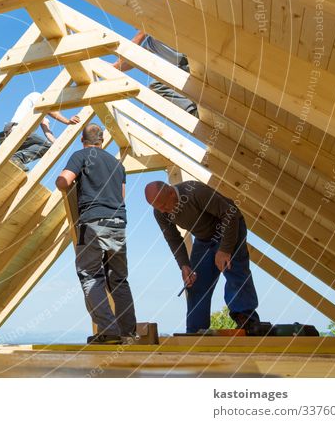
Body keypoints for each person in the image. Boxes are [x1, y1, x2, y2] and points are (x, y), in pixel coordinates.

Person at [144, 180, 260, 333]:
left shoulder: (195, 192)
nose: (164, 211)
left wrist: (224, 249)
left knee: (233, 270)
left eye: (165, 205)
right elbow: (173, 239)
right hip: (203, 238)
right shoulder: (160, 211)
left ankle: (247, 321)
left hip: (229, 227)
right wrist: (184, 265)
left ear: (172, 192)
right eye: (158, 208)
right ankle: (196, 330)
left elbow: (229, 214)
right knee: (196, 283)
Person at [56, 124, 136, 344]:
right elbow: (122, 197)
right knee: (119, 279)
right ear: (103, 141)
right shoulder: (117, 165)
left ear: (83, 141)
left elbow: (64, 181)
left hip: (93, 222)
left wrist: (63, 181)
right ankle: (128, 333)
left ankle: (109, 332)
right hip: (118, 223)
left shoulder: (80, 155)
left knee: (90, 276)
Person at [114, 30, 198, 117]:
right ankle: (194, 112)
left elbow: (137, 39)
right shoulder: (150, 43)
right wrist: (114, 67)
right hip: (185, 67)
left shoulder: (154, 24)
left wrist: (116, 65)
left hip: (195, 57)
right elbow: (135, 59)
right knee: (157, 85)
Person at [0, 92, 79, 171]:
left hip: (21, 138)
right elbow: (51, 111)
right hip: (15, 130)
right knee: (46, 145)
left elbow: (47, 132)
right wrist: (67, 121)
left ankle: (15, 159)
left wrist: (58, 144)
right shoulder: (36, 96)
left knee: (48, 146)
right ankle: (16, 158)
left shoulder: (43, 117)